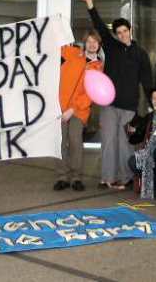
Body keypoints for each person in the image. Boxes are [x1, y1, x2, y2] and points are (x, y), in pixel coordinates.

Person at [80, 0, 152, 190]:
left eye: (124, 32)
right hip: (109, 105)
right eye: (118, 32)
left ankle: (126, 177)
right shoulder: (111, 46)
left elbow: (147, 81)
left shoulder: (141, 54)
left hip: (129, 107)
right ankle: (107, 177)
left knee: (124, 144)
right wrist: (90, 3)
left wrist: (150, 107)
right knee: (108, 142)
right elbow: (99, 25)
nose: (121, 35)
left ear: (130, 31)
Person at [54, 31, 104, 192]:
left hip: (78, 110)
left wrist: (73, 109)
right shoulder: (74, 53)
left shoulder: (98, 67)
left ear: (98, 44)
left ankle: (76, 177)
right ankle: (62, 176)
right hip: (60, 107)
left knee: (75, 142)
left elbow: (90, 93)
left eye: (94, 42)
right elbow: (55, 48)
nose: (91, 44)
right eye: (88, 41)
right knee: (60, 143)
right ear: (84, 43)